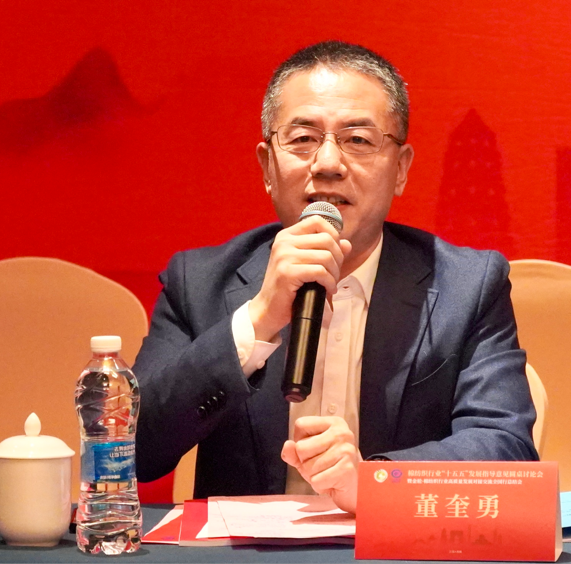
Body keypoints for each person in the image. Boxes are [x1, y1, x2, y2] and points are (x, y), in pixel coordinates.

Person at [133, 41, 538, 514]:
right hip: (247, 549)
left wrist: (375, 481)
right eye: (303, 139)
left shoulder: (467, 287)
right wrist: (257, 321)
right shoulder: (199, 282)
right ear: (267, 166)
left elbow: (506, 448)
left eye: (358, 140)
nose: (327, 163)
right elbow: (132, 448)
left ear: (401, 169)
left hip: (391, 544)